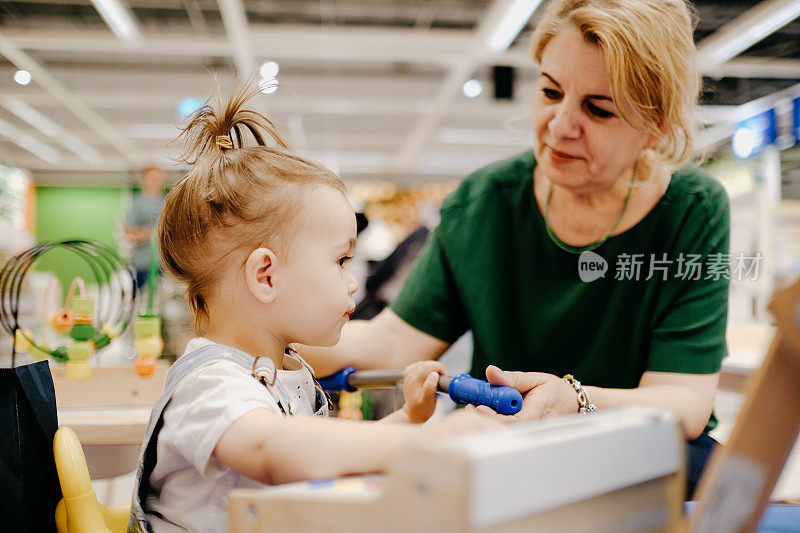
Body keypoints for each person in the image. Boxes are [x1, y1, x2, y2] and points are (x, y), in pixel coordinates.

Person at [299, 0, 728, 498]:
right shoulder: (484, 203)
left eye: (599, 109)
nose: (560, 124)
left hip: (632, 451)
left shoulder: (692, 210)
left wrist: (575, 400)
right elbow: (391, 343)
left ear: (654, 127)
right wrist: (268, 329)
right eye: (550, 91)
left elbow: (684, 401)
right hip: (502, 446)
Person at [128, 83, 497, 533]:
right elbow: (275, 451)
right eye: (341, 260)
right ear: (265, 276)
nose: (353, 281)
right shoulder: (211, 384)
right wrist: (429, 443)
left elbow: (322, 452)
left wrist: (411, 420)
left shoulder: (283, 370)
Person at [124, 165, 166, 289]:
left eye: (158, 178)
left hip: (163, 266)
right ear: (144, 180)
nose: (155, 181)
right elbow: (129, 232)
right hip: (142, 265)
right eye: (152, 178)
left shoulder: (166, 202)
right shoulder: (138, 204)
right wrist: (153, 233)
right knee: (142, 302)